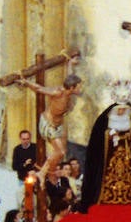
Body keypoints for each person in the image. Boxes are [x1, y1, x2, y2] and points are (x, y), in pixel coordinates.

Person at [13, 50, 83, 183]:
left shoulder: (68, 90)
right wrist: (25, 82)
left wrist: (70, 64)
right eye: (78, 87)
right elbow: (40, 89)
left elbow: (69, 76)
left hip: (57, 126)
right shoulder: (58, 92)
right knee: (60, 152)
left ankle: (47, 172)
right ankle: (43, 172)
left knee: (59, 153)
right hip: (48, 125)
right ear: (72, 88)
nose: (80, 89)